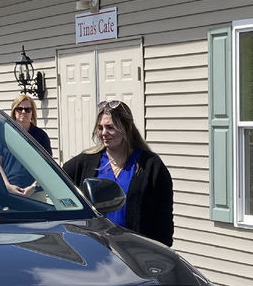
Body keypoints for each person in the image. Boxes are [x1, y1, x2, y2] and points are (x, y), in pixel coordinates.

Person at [63, 100, 174, 247]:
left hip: (135, 252)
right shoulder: (86, 161)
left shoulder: (150, 165)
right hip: (96, 249)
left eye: (110, 127)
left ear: (127, 128)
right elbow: (55, 179)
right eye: (100, 127)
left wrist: (160, 252)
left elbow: (163, 218)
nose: (103, 133)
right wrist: (33, 188)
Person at [0, 94, 52, 197]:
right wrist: (7, 186)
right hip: (8, 192)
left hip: (35, 193)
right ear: (14, 111)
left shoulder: (41, 136)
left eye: (27, 109)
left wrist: (33, 187)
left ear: (32, 112)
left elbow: (48, 167)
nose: (23, 112)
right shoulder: (4, 133)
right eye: (19, 109)